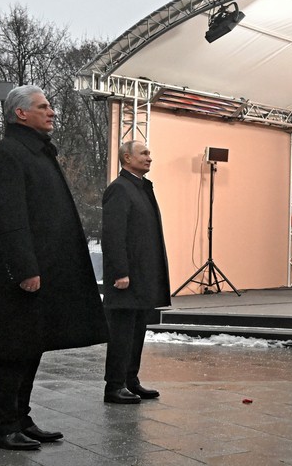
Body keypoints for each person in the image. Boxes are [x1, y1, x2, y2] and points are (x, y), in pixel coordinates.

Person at [0, 85, 108, 450]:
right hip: (23, 272)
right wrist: (25, 269)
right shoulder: (6, 155)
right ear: (21, 113)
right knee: (13, 349)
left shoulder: (35, 153)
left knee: (31, 346)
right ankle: (3, 426)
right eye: (43, 106)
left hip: (45, 267)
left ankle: (21, 418)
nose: (52, 112)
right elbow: (10, 219)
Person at [101, 140, 171, 404]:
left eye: (150, 153)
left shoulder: (141, 188)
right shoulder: (119, 189)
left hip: (142, 278)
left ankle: (131, 381)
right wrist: (120, 272)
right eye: (144, 153)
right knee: (121, 333)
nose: (149, 158)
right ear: (127, 158)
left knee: (137, 330)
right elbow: (113, 235)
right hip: (126, 279)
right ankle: (114, 386)